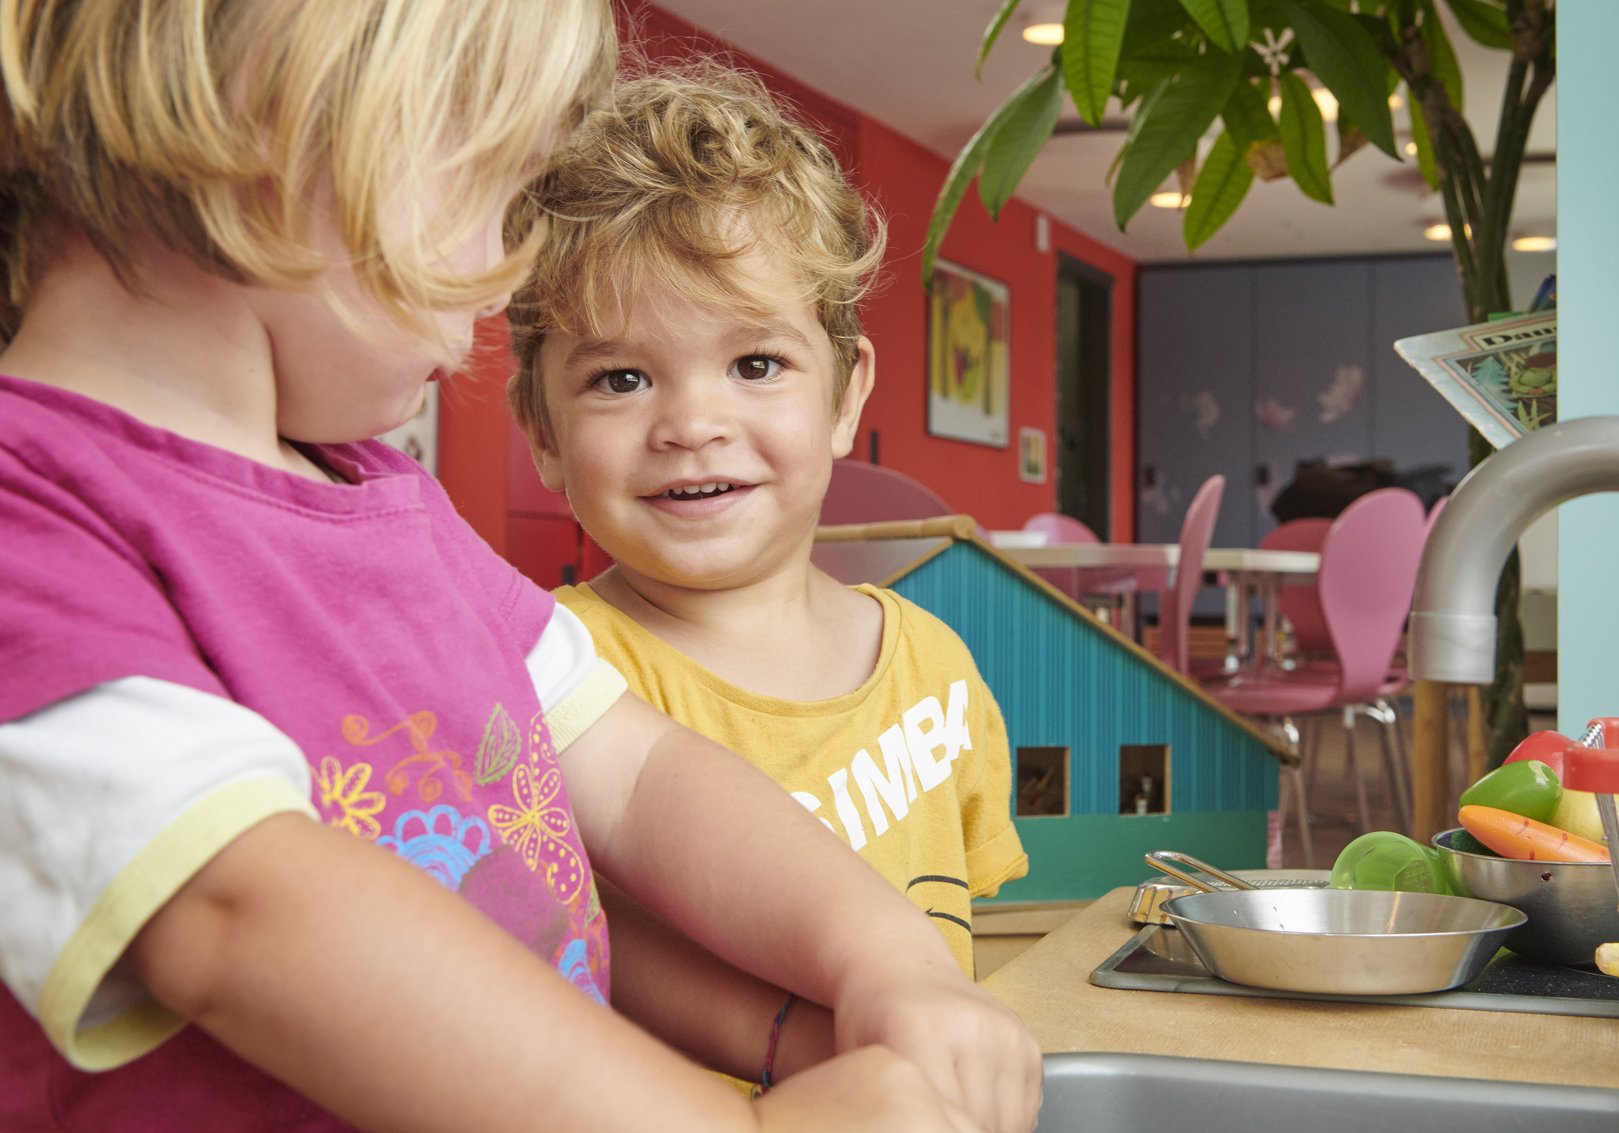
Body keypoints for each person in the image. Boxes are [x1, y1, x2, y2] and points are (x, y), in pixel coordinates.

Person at [0, 4, 1041, 1132]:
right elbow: (236, 913)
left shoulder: (378, 498)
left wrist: (884, 961)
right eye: (497, 197)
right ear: (287, 129)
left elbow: (636, 774)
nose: (506, 280)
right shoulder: (33, 521)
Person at [504, 64, 1029, 987]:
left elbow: (987, 945)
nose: (692, 425)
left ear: (844, 393)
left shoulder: (936, 669)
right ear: (544, 433)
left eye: (754, 362)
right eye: (620, 379)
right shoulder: (550, 679)